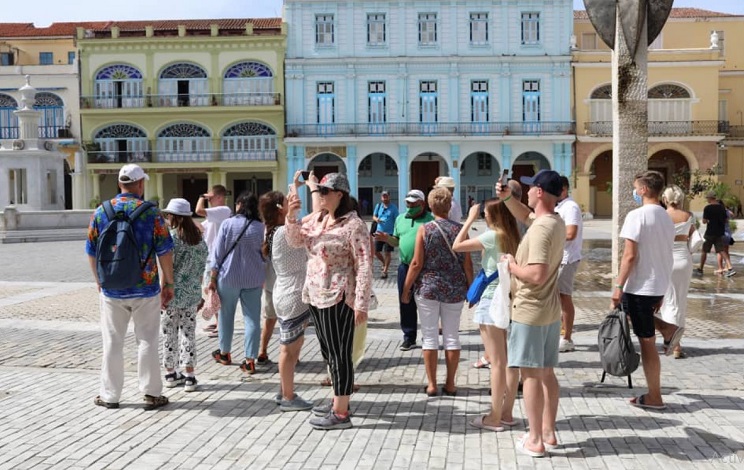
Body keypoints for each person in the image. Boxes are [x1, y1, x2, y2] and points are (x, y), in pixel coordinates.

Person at [285, 172, 372, 430]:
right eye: (319, 191)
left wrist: (361, 303)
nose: (320, 195)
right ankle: (338, 401)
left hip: (338, 295)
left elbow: (365, 264)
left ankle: (341, 413)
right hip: (315, 293)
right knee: (328, 352)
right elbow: (294, 240)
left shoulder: (353, 225)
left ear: (339, 195)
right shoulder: (318, 218)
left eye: (324, 191)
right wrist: (290, 216)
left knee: (340, 355)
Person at [86, 163, 174, 410]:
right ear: (140, 184)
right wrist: (169, 282)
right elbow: (165, 250)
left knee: (112, 341)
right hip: (146, 288)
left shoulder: (101, 212)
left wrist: (98, 281)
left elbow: (91, 250)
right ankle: (151, 393)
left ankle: (110, 396)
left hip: (112, 288)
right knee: (147, 340)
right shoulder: (150, 213)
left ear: (119, 184)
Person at [497, 169, 565, 457]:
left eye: (529, 188)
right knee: (547, 372)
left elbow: (536, 274)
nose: (525, 191)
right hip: (549, 310)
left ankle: (535, 439)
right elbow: (526, 215)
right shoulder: (554, 221)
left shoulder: (540, 230)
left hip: (530, 309)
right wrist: (507, 198)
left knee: (532, 375)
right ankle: (548, 431)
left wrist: (511, 265)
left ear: (539, 192)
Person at [611, 171, 679, 411]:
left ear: (642, 190)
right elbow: (665, 253)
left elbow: (629, 256)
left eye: (635, 188)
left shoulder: (636, 215)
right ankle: (667, 327)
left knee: (646, 343)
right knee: (627, 313)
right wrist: (661, 288)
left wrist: (618, 285)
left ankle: (655, 396)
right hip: (655, 283)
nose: (634, 192)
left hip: (640, 285)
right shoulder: (665, 216)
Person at [453, 198, 520, 430]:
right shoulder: (513, 235)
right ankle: (507, 412)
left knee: (497, 362)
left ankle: (494, 416)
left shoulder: (492, 236)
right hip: (509, 299)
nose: (483, 216)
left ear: (492, 216)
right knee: (510, 361)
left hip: (491, 300)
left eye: (484, 214)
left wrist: (468, 219)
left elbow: (457, 245)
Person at [402, 187, 473, 397]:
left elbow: (416, 263)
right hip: (454, 288)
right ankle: (450, 383)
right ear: (450, 206)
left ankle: (432, 384)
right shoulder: (461, 230)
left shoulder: (425, 229)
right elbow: (468, 265)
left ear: (430, 206)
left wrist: (406, 288)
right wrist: (471, 288)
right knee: (452, 336)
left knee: (429, 336)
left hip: (428, 288)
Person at [258, 184, 314, 412]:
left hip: (287, 290)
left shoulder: (273, 230)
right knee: (289, 350)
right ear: (281, 208)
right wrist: (308, 191)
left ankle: (285, 390)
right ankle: (288, 397)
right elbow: (311, 219)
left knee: (292, 347)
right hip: (292, 293)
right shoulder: (283, 231)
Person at [208, 191, 266, 375]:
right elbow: (265, 255)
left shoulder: (228, 224)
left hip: (228, 277)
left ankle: (225, 353)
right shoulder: (260, 227)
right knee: (252, 320)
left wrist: (212, 278)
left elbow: (217, 253)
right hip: (253, 278)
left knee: (226, 316)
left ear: (239, 204)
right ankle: (250, 360)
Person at [374, 190, 434, 351]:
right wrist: (387, 238)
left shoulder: (431, 220)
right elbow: (397, 242)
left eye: (413, 204)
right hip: (405, 266)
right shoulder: (400, 219)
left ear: (422, 204)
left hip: (426, 268)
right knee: (405, 300)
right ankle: (409, 337)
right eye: (408, 203)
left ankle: (429, 337)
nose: (409, 207)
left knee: (427, 303)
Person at [160, 198, 208, 392]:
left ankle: (170, 373)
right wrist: (199, 293)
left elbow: (165, 268)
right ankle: (189, 375)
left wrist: (162, 290)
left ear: (173, 217)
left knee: (168, 333)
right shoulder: (199, 240)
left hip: (171, 294)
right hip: (191, 294)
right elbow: (200, 269)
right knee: (188, 333)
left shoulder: (170, 239)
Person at [656, 185, 694, 359]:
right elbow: (693, 236)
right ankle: (677, 342)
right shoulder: (688, 216)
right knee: (680, 300)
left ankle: (673, 342)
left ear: (665, 199)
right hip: (684, 259)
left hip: (666, 260)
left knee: (668, 300)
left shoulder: (662, 216)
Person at [195, 185, 232, 337]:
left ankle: (221, 325)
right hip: (210, 257)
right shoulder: (213, 216)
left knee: (214, 291)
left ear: (219, 197)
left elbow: (198, 211)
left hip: (217, 259)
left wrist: (201, 197)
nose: (208, 200)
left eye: (209, 198)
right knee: (210, 291)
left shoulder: (223, 211)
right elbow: (201, 228)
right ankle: (218, 322)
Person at [555, 176, 583, 353]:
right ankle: (560, 332)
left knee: (565, 297)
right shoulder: (561, 206)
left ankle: (567, 337)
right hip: (560, 257)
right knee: (558, 297)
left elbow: (571, 233)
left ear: (564, 190)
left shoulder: (570, 207)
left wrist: (550, 235)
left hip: (567, 257)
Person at [696, 191, 732, 276]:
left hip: (710, 232)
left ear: (710, 198)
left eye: (707, 198)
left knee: (704, 250)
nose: (707, 200)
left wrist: (709, 220)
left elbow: (704, 221)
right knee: (722, 250)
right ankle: (730, 266)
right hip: (719, 233)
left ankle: (700, 268)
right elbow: (726, 220)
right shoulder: (722, 208)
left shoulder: (707, 208)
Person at [372, 191, 399, 279]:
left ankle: (385, 270)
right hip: (379, 232)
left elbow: (397, 220)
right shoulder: (378, 206)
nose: (385, 198)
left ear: (389, 197)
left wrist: (396, 232)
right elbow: (374, 216)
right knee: (376, 251)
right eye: (383, 196)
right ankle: (384, 263)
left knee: (387, 252)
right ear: (381, 197)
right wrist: (377, 220)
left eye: (386, 196)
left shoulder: (394, 208)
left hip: (389, 233)